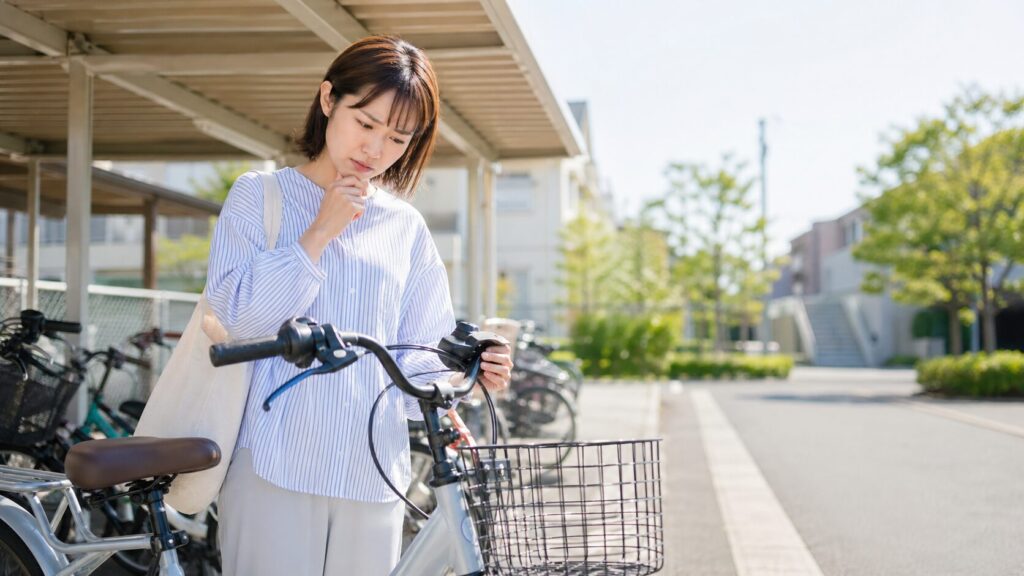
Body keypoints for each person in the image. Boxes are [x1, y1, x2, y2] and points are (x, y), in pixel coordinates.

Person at [205, 35, 513, 575]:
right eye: (365, 124)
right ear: (328, 100)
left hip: (372, 470)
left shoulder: (405, 226)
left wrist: (471, 365)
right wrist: (316, 235)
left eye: (398, 138)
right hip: (274, 458)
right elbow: (235, 319)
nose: (375, 150)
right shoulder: (260, 196)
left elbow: (419, 349)